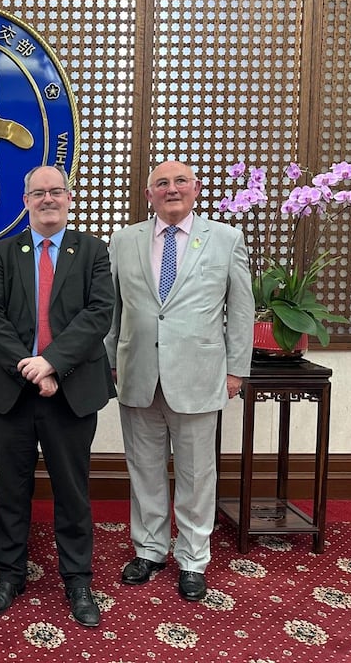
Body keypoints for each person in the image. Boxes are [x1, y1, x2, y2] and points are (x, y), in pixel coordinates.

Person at [105, 159, 253, 602]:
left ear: (196, 188)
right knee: (144, 470)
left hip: (198, 375)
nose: (172, 189)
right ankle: (149, 549)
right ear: (149, 194)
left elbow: (241, 311)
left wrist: (235, 370)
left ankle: (192, 558)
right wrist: (112, 362)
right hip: (137, 376)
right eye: (161, 183)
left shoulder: (225, 240)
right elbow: (113, 309)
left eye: (180, 181)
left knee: (195, 474)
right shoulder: (124, 240)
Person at [0, 164, 115, 627]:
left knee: (72, 492)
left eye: (56, 191)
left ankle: (77, 579)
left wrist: (52, 362)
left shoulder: (93, 251)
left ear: (68, 197)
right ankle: (9, 575)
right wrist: (31, 368)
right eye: (39, 193)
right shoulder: (3, 253)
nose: (48, 199)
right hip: (14, 391)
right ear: (26, 201)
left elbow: (99, 315)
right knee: (11, 490)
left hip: (72, 391)